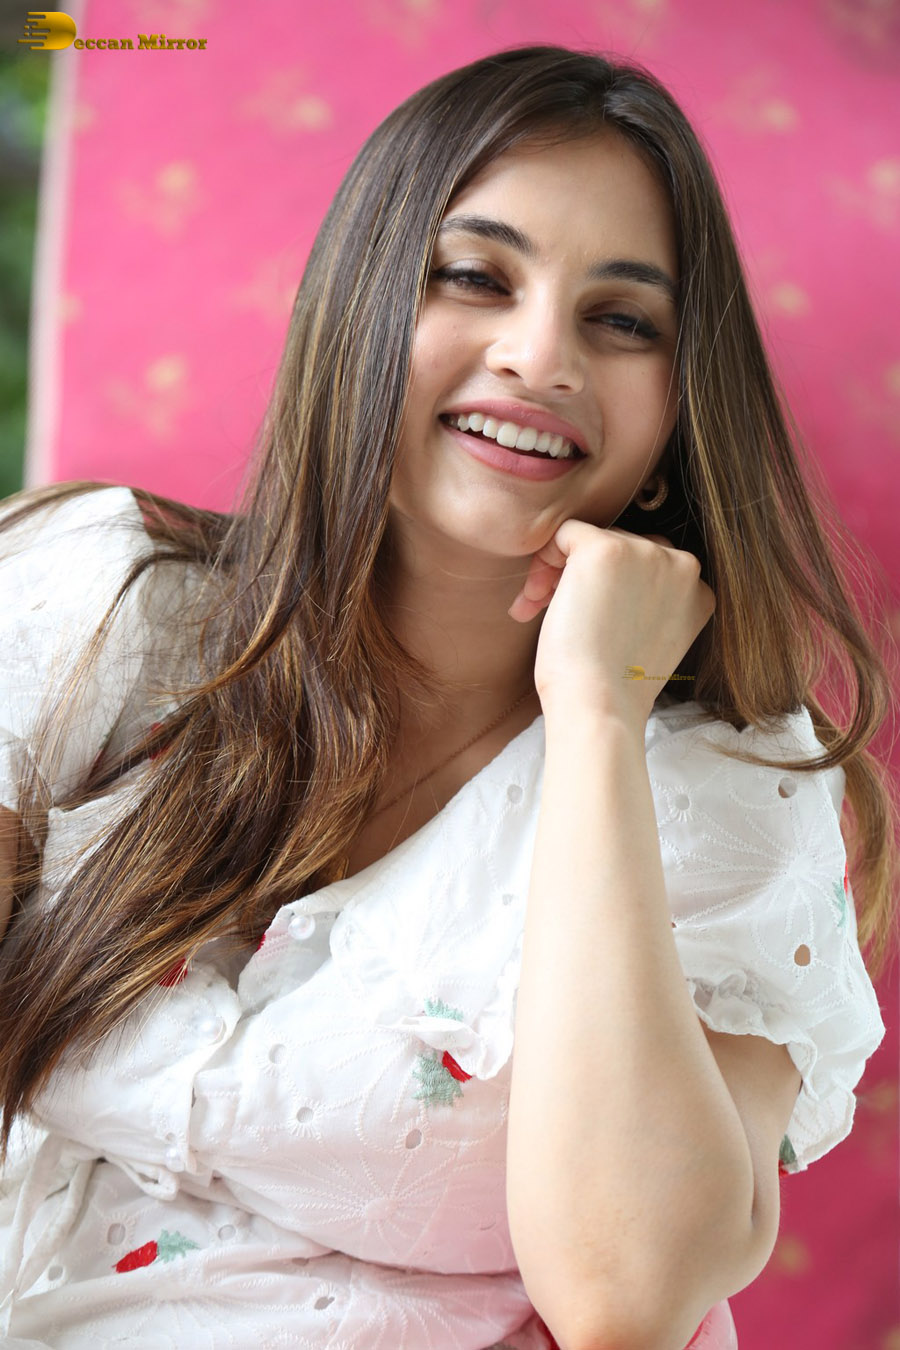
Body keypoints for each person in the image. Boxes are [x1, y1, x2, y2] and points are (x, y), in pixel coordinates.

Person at [0, 43, 895, 1350]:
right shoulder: (96, 610)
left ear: (673, 418)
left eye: (623, 321)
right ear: (357, 312)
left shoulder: (727, 790)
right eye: (476, 277)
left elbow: (628, 1297)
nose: (540, 356)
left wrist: (598, 716)